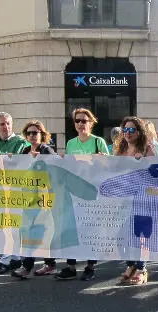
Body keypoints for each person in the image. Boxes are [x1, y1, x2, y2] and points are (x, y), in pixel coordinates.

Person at [39, 108, 107, 279]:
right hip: (74, 191)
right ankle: (71, 266)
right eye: (77, 121)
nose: (80, 124)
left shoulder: (98, 141)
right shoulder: (70, 143)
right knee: (71, 227)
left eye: (84, 121)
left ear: (91, 123)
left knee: (91, 229)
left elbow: (109, 165)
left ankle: (90, 267)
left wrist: (101, 159)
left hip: (92, 191)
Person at [0, 112, 31, 275]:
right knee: (5, 227)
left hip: (15, 189)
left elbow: (18, 163)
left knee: (12, 226)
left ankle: (5, 260)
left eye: (8, 123)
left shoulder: (21, 142)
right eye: (2, 124)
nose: (6, 127)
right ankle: (16, 258)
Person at [11, 120, 58, 279]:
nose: (32, 136)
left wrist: (41, 160)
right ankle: (33, 265)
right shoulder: (25, 151)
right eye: (29, 133)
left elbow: (56, 167)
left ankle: (43, 265)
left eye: (35, 133)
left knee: (43, 231)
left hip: (44, 199)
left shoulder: (46, 150)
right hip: (29, 199)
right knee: (28, 232)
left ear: (42, 134)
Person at [114, 116, 158, 285]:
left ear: (139, 132)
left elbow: (156, 174)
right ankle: (131, 265)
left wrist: (144, 163)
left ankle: (141, 269)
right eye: (125, 129)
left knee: (140, 236)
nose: (128, 133)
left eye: (132, 129)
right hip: (124, 200)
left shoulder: (147, 149)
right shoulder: (121, 150)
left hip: (143, 200)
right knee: (121, 235)